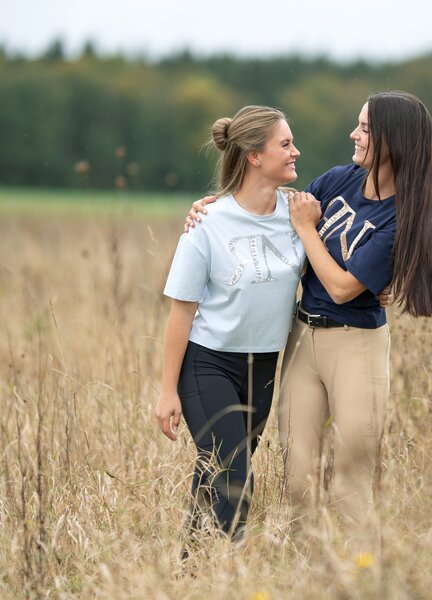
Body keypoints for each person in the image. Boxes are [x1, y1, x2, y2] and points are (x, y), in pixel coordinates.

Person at [187, 91, 432, 547]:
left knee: (350, 478)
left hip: (356, 345)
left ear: (393, 140)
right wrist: (215, 206)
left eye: (365, 128)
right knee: (298, 478)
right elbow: (276, 203)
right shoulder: (339, 180)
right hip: (302, 337)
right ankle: (307, 571)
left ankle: (364, 571)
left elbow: (342, 287)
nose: (354, 134)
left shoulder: (400, 215)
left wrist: (307, 229)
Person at [156, 105, 304, 546]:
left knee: (215, 474)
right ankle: (226, 571)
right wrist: (167, 391)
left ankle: (191, 571)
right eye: (285, 144)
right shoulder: (207, 223)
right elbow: (181, 312)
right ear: (255, 156)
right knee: (235, 478)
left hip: (263, 367)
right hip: (209, 366)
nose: (295, 151)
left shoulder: (299, 213)